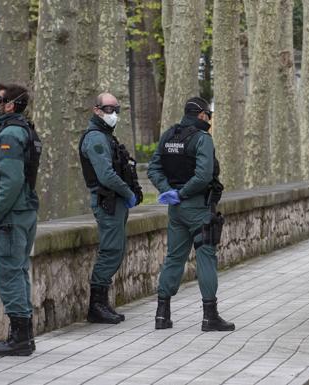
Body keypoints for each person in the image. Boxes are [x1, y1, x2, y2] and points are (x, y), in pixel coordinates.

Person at [148, 96, 234, 332]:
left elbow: (154, 167)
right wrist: (184, 193)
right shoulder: (202, 139)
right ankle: (210, 316)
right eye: (209, 115)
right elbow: (205, 175)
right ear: (202, 115)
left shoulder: (169, 135)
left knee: (174, 258)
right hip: (197, 207)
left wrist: (168, 191)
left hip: (175, 209)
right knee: (206, 256)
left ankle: (162, 315)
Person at [0, 83, 41, 356]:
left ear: (11, 105)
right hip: (25, 211)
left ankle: (19, 338)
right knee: (19, 271)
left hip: (12, 214)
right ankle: (24, 336)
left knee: (8, 274)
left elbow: (12, 180)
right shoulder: (25, 130)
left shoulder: (11, 134)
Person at [79, 92, 142, 324]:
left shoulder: (106, 136)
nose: (113, 114)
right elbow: (105, 174)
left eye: (117, 109)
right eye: (108, 109)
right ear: (97, 110)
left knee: (115, 249)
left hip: (114, 200)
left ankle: (102, 303)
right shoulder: (96, 138)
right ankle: (96, 305)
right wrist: (128, 193)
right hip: (107, 200)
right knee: (110, 250)